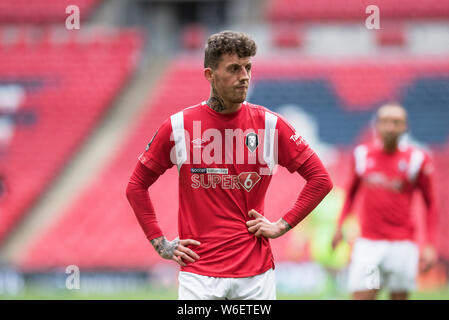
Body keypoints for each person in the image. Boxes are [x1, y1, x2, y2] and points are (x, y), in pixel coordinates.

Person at [126, 30, 332, 300]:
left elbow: (321, 180)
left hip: (255, 276)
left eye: (248, 67)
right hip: (198, 274)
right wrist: (160, 243)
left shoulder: (270, 126)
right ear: (210, 75)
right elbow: (136, 186)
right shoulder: (179, 126)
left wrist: (282, 225)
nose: (244, 76)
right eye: (234, 68)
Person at [332, 102, 438, 300]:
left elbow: (430, 203)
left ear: (405, 127)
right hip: (370, 247)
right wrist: (340, 225)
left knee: (398, 296)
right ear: (377, 125)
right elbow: (351, 194)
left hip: (402, 246)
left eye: (396, 122)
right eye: (385, 122)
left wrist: (430, 244)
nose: (390, 127)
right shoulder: (362, 155)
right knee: (364, 294)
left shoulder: (417, 159)